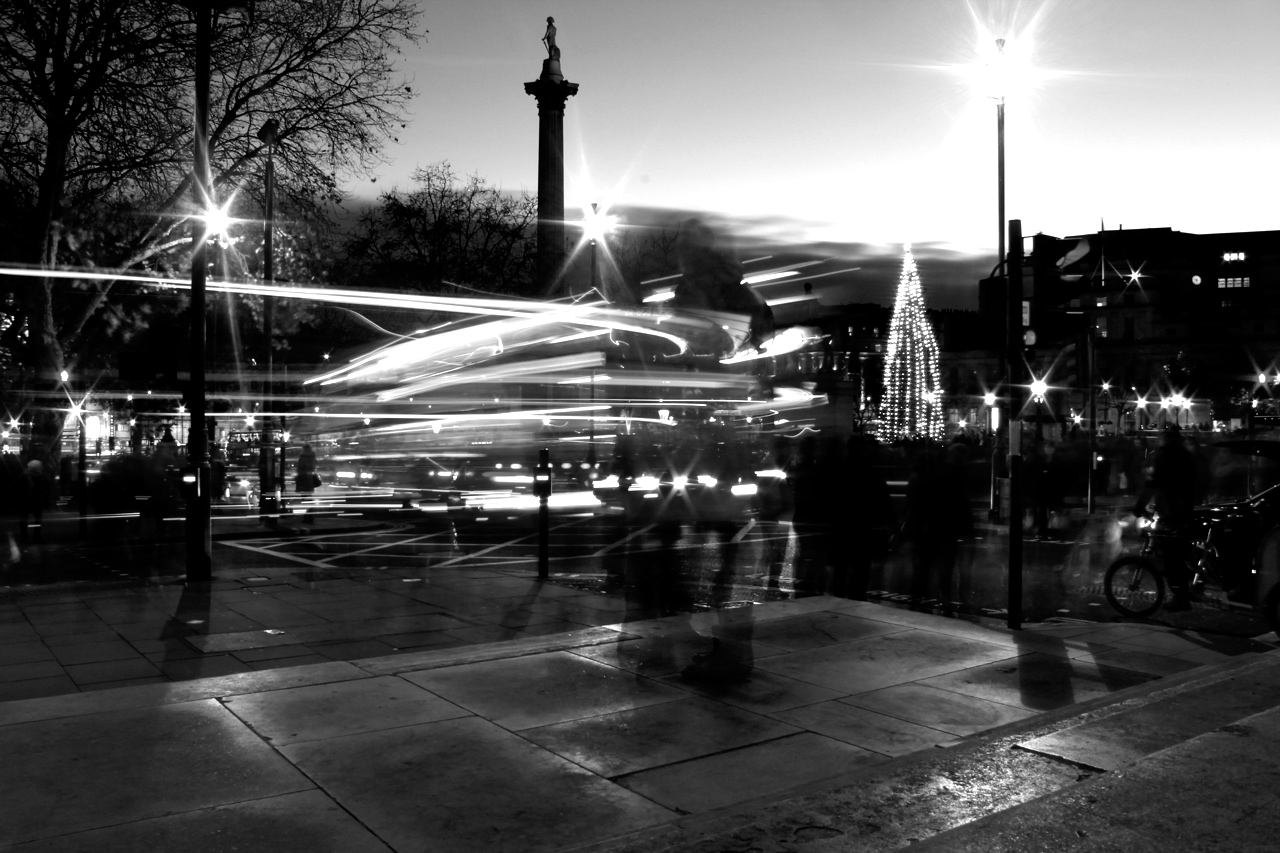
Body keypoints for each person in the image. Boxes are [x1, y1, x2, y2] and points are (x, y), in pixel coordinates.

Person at [1132, 424, 1198, 610]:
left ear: (1163, 437)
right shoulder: (1185, 455)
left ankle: (1180, 597)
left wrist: (1139, 505)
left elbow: (1151, 483)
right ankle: (1190, 586)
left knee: (1171, 554)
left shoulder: (1161, 456)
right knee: (1181, 551)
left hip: (1169, 509)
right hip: (1185, 507)